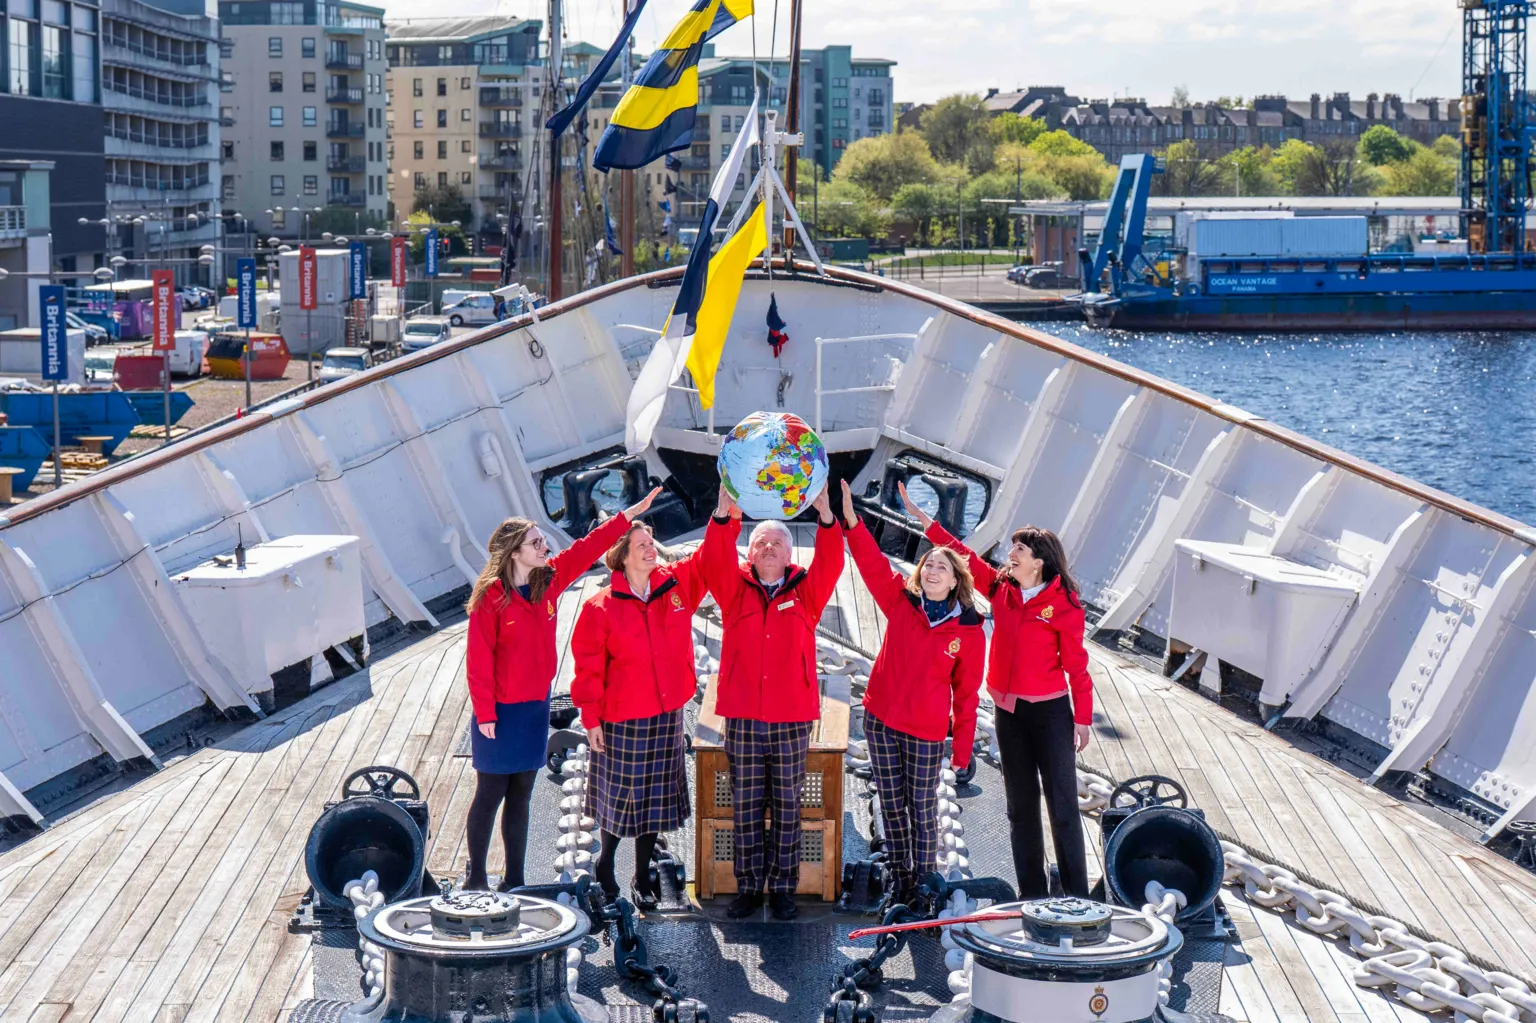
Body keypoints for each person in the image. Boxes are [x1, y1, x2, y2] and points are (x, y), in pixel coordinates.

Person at [462, 487, 661, 891]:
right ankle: (477, 875)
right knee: (490, 793)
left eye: (542, 540)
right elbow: (478, 661)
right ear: (514, 552)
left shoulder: (547, 583)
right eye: (536, 542)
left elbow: (588, 549)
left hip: (534, 708)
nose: (545, 546)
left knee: (522, 795)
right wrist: (485, 713)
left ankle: (514, 878)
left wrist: (628, 516)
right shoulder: (491, 599)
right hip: (500, 713)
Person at [903, 482, 1093, 899]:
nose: (1011, 554)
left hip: (1050, 715)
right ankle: (1032, 896)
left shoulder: (1065, 605)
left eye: (1019, 550)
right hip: (1009, 715)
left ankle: (1077, 897)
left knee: (1062, 808)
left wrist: (1082, 719)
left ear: (1039, 562)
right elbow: (964, 556)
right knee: (1020, 809)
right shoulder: (1001, 588)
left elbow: (1078, 668)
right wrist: (923, 520)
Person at [701, 482, 844, 920]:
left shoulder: (806, 591)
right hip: (743, 714)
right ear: (750, 554)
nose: (768, 547)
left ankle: (782, 887)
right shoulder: (733, 589)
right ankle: (748, 888)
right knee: (745, 803)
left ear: (789, 555)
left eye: (777, 543)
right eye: (760, 542)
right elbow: (712, 559)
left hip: (791, 716)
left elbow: (832, 562)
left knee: (787, 804)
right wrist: (724, 517)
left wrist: (826, 518)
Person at [839, 481, 984, 902]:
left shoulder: (969, 632)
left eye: (942, 566)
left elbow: (968, 694)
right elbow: (869, 563)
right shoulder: (901, 603)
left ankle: (924, 883)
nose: (933, 569)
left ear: (957, 580)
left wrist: (961, 752)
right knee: (891, 803)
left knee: (921, 809)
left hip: (925, 730)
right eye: (928, 564)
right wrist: (850, 517)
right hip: (881, 720)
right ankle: (902, 882)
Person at [570, 519, 708, 907]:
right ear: (622, 556)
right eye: (642, 545)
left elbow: (710, 558)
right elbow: (589, 670)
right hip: (623, 717)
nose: (652, 549)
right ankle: (606, 864)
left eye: (652, 542)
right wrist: (591, 718)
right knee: (620, 799)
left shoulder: (675, 588)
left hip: (666, 713)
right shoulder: (600, 608)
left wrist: (723, 512)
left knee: (655, 800)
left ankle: (641, 872)